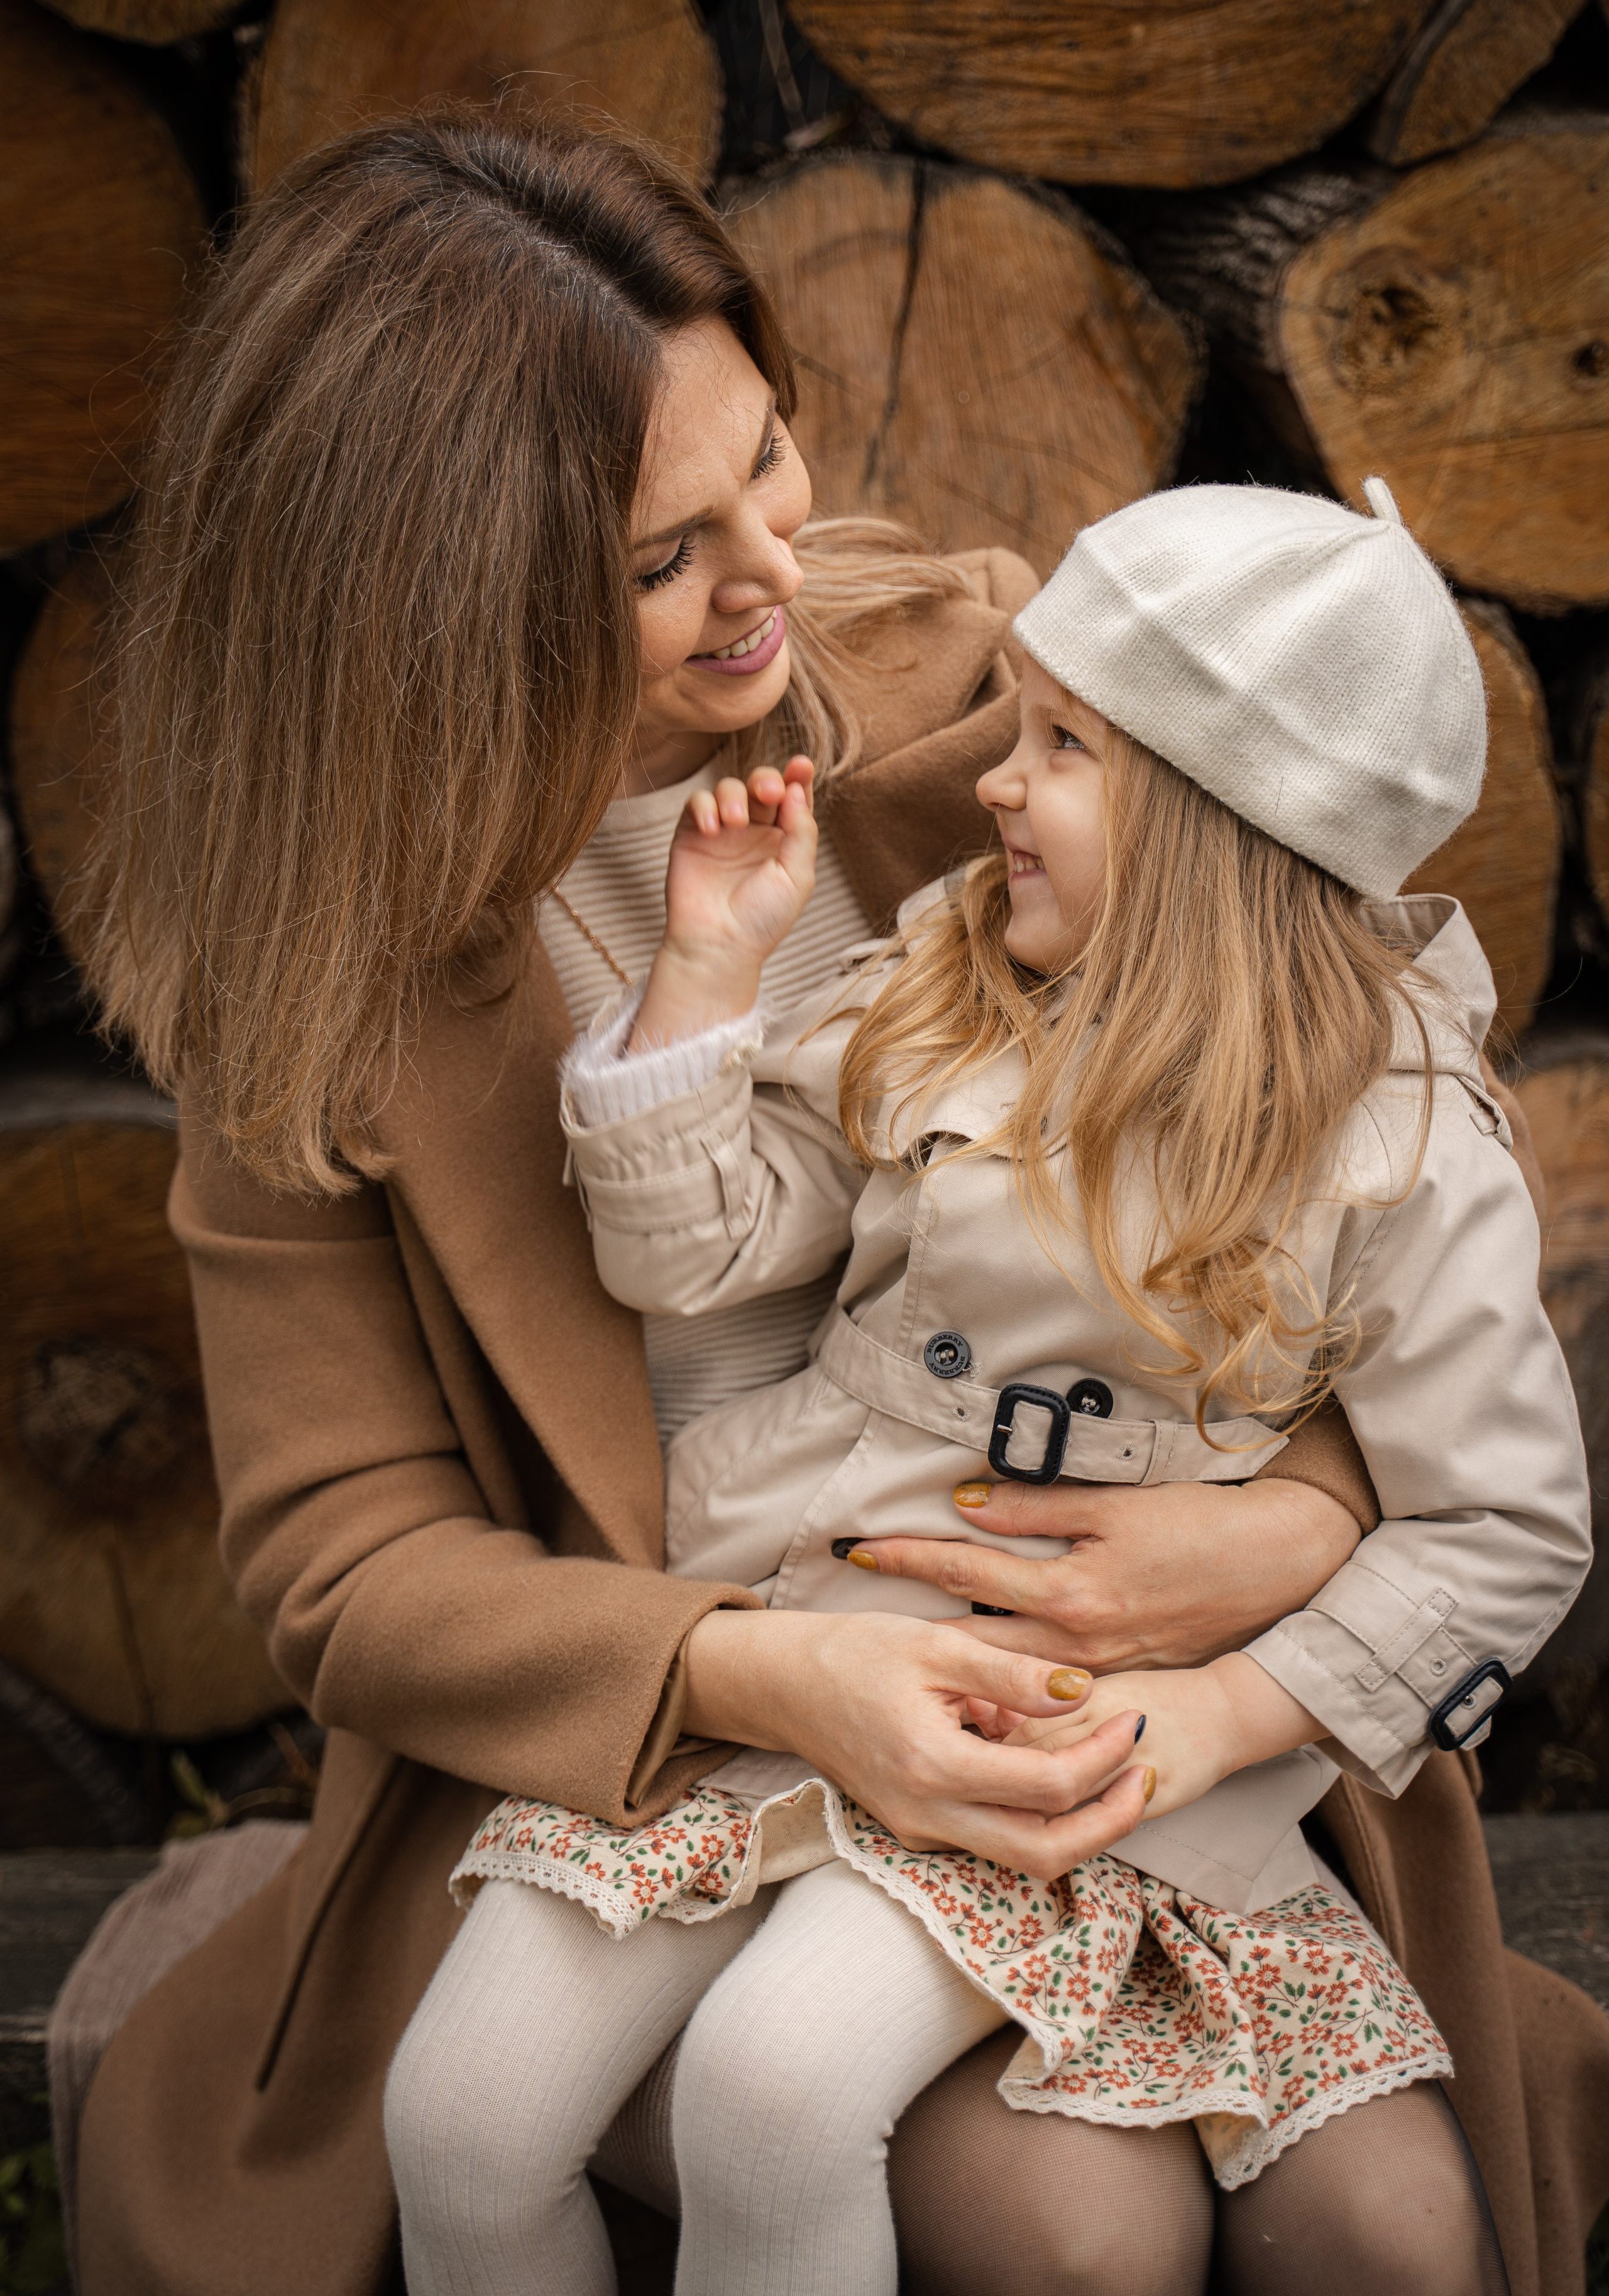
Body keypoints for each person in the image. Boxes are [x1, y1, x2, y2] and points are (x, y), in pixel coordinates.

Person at [69, 114, 1609, 2296]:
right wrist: (775, 1675)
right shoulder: (326, 984)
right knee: (1045, 2215)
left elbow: (1320, 1133)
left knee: (1364, 2222)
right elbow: (349, 1572)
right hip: (674, 1738)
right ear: (433, 611)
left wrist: (1310, 1515)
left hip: (1131, 1699)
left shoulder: (983, 676)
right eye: (654, 558)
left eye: (768, 460)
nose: (771, 578)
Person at [382, 480, 1589, 2296]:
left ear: (1224, 823)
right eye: (1015, 726)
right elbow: (697, 1249)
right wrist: (705, 974)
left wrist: (1226, 1721)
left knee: (777, 2093)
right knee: (459, 2119)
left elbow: (1504, 1525)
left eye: (1066, 748)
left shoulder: (1399, 1141)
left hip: (1066, 1740)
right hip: (793, 1636)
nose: (999, 784)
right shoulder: (957, 969)